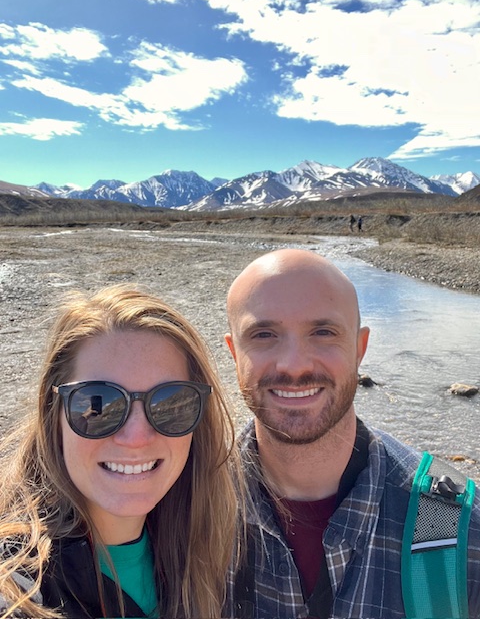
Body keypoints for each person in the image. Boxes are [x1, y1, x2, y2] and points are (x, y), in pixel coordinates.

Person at [224, 248, 480, 619]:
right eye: (263, 334)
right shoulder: (186, 510)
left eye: (323, 332)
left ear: (359, 349)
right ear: (234, 353)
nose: (294, 365)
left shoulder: (454, 533)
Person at [0, 285, 238, 619]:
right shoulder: (19, 587)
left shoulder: (211, 546)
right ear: (53, 416)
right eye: (97, 404)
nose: (136, 436)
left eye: (170, 403)